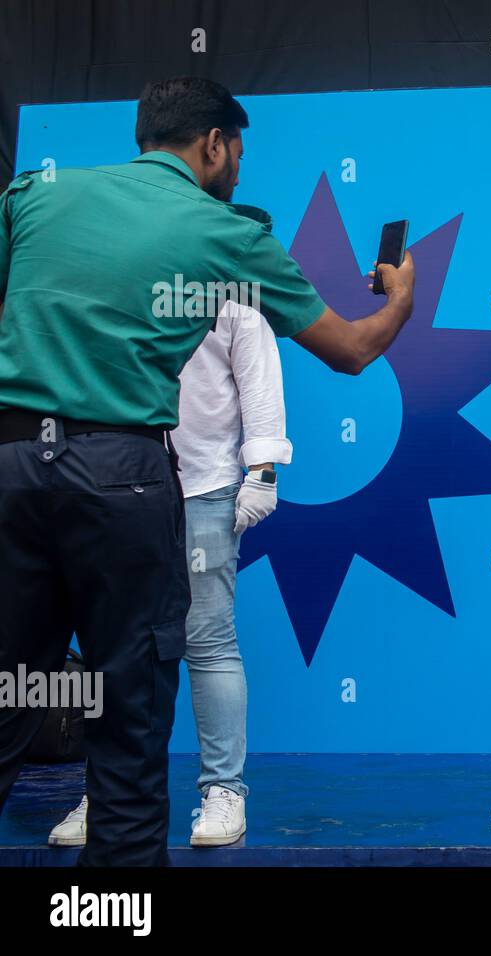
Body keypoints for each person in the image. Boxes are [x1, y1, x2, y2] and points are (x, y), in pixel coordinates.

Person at [0, 76, 415, 865]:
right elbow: (352, 350)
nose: (238, 170)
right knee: (130, 715)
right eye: (238, 154)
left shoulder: (35, 195)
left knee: (13, 689)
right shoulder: (225, 231)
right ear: (214, 145)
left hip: (13, 466)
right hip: (120, 475)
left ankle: (217, 792)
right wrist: (398, 298)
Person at [48, 300, 291, 849]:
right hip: (115, 483)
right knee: (116, 645)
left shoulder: (228, 282)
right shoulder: (116, 265)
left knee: (208, 639)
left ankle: (224, 791)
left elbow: (257, 375)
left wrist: (263, 471)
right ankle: (110, 794)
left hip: (205, 485)